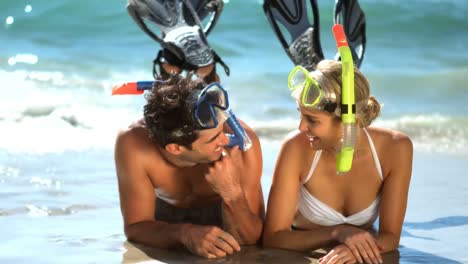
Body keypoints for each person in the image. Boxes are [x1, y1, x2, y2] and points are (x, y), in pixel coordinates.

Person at [262, 60, 413, 264]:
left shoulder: (396, 148)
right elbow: (274, 238)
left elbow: (391, 237)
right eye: (301, 115)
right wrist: (338, 232)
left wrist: (356, 252)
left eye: (312, 120)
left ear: (347, 123)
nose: (301, 127)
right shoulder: (295, 148)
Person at [114, 75, 264, 258]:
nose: (226, 140)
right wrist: (185, 233)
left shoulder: (241, 146)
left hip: (222, 213)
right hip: (165, 222)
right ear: (175, 148)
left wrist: (232, 193)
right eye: (213, 139)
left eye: (222, 130)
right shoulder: (133, 143)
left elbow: (251, 240)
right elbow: (136, 228)